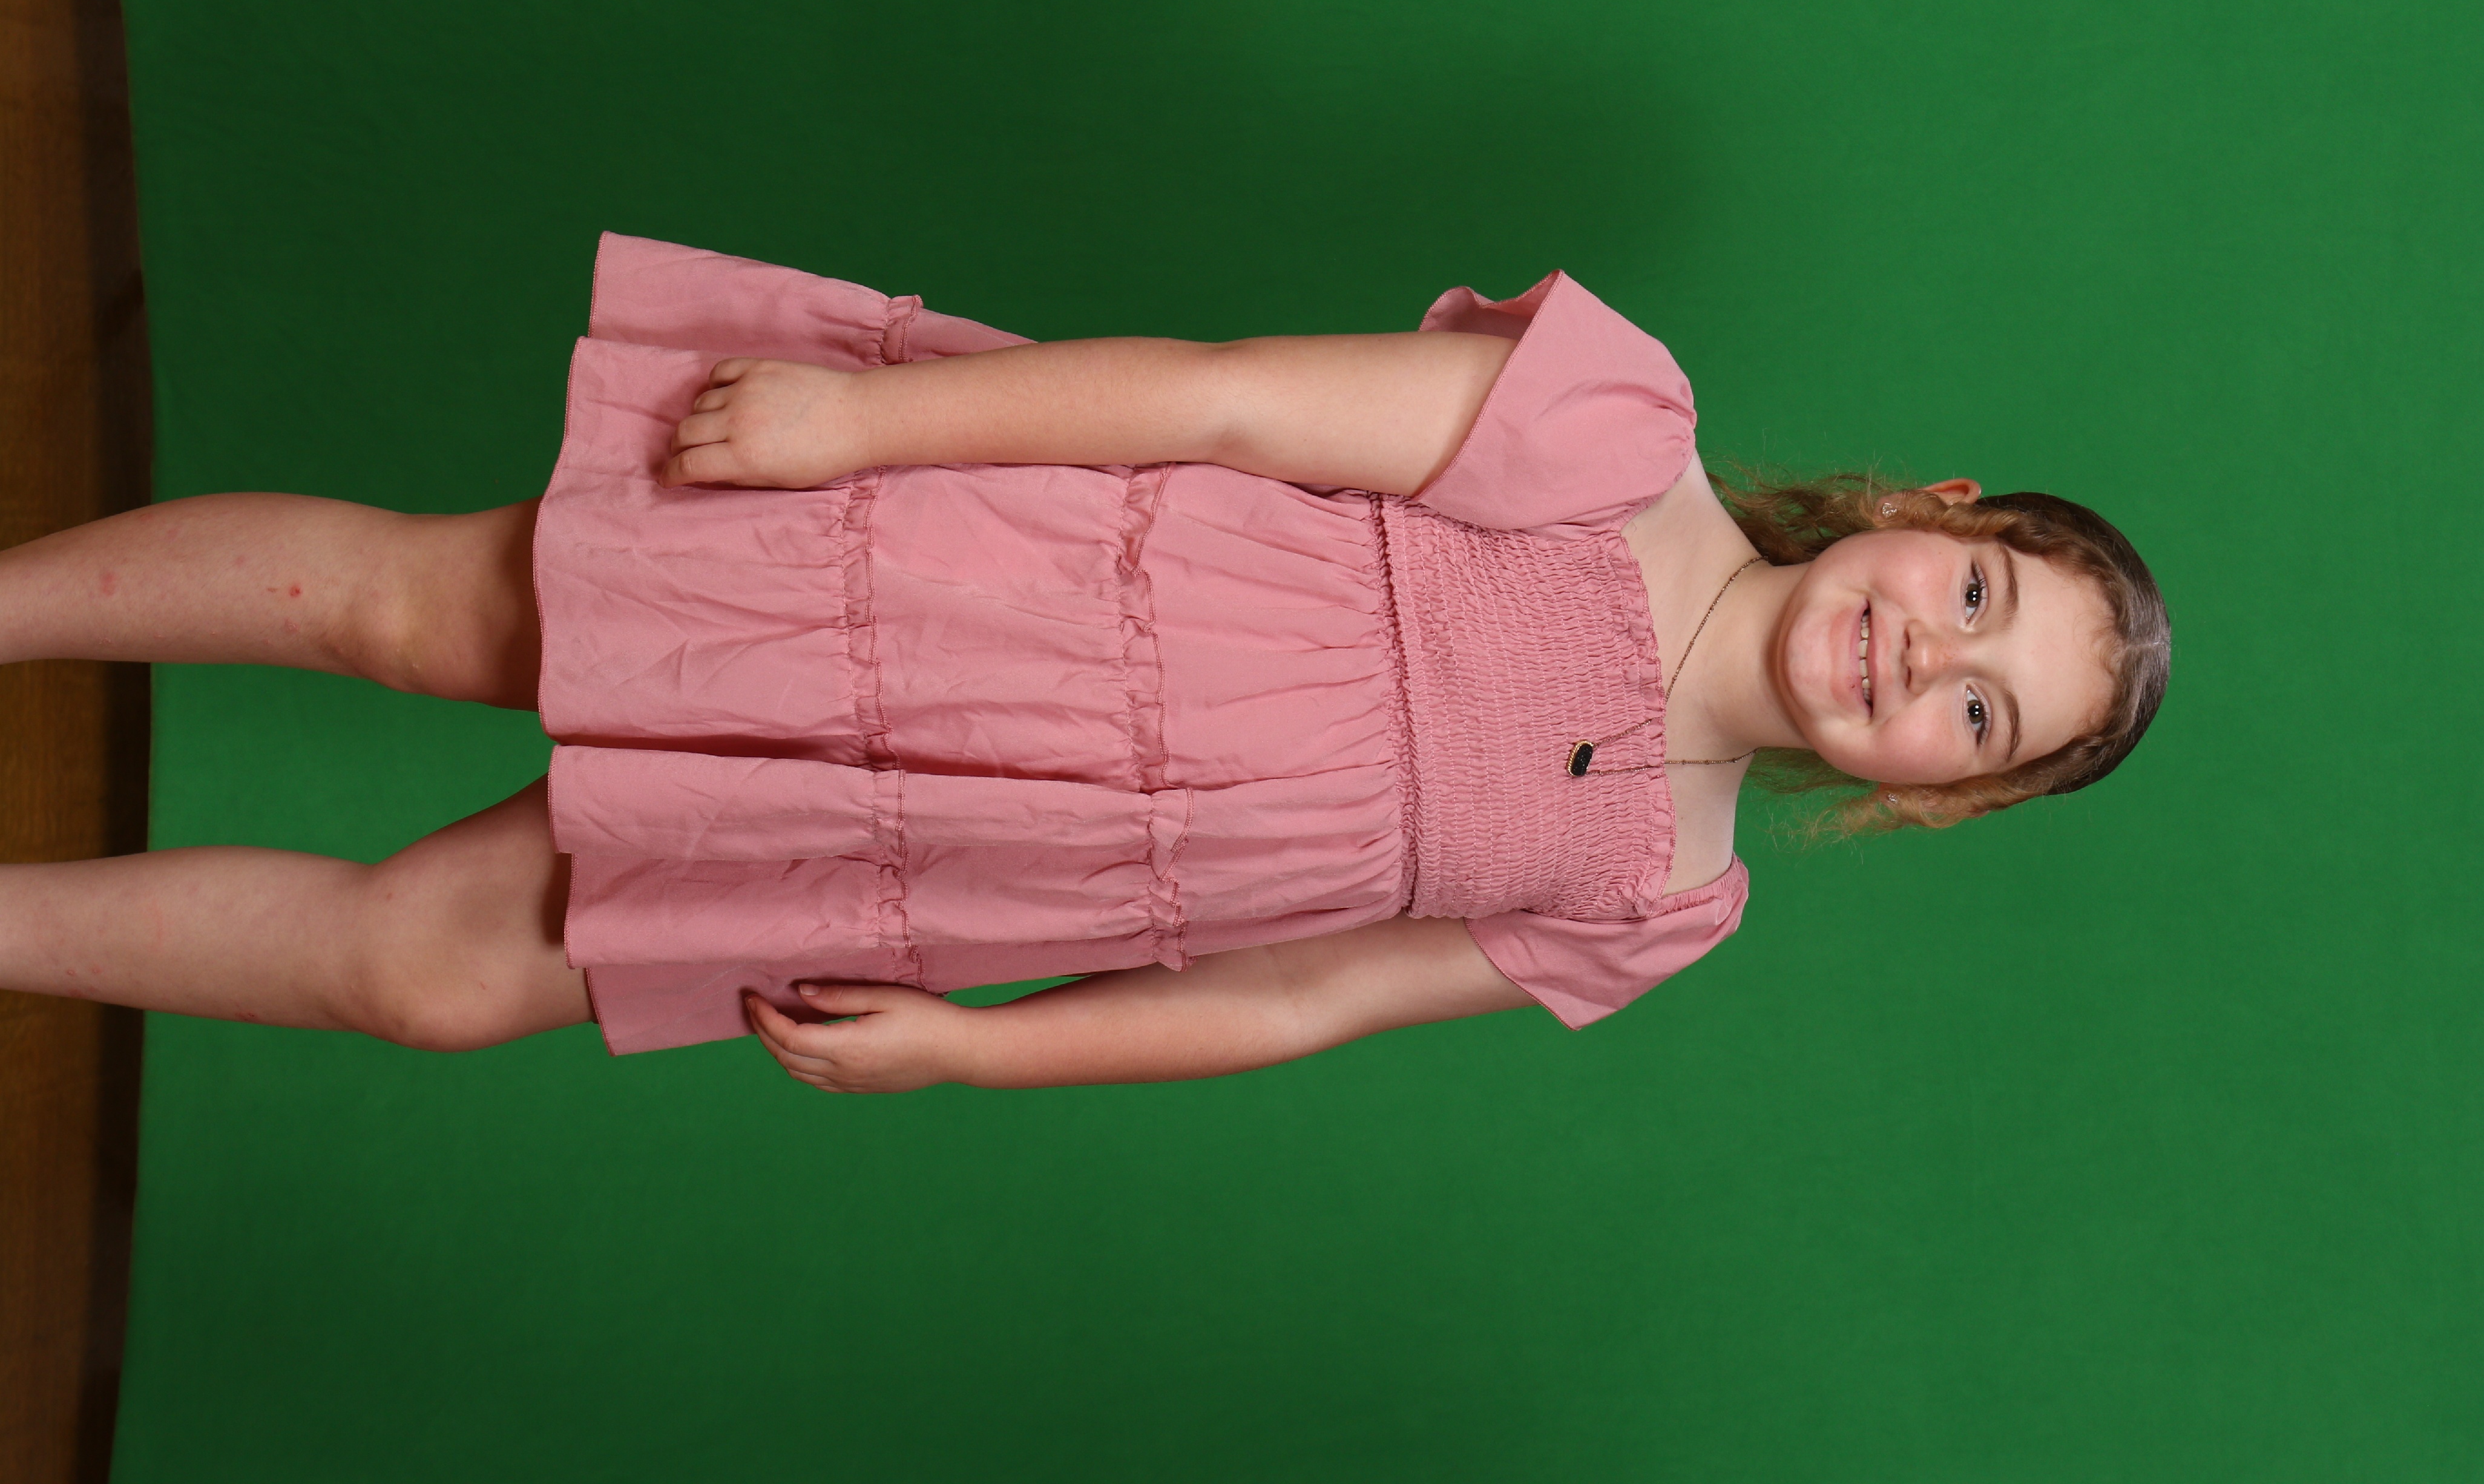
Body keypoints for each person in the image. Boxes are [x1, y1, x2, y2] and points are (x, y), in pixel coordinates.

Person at [0, 235, 2169, 1093]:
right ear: (1936, 510)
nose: (1924, 654)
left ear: (1937, 794)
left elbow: (1302, 1000)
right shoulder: (1617, 441)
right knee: (424, 615)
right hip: (957, 584)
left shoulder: (1658, 900)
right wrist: (862, 429)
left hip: (957, 844)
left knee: (431, 978)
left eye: (1980, 713)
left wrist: (982, 1058)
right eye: (1978, 596)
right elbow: (1219, 397)